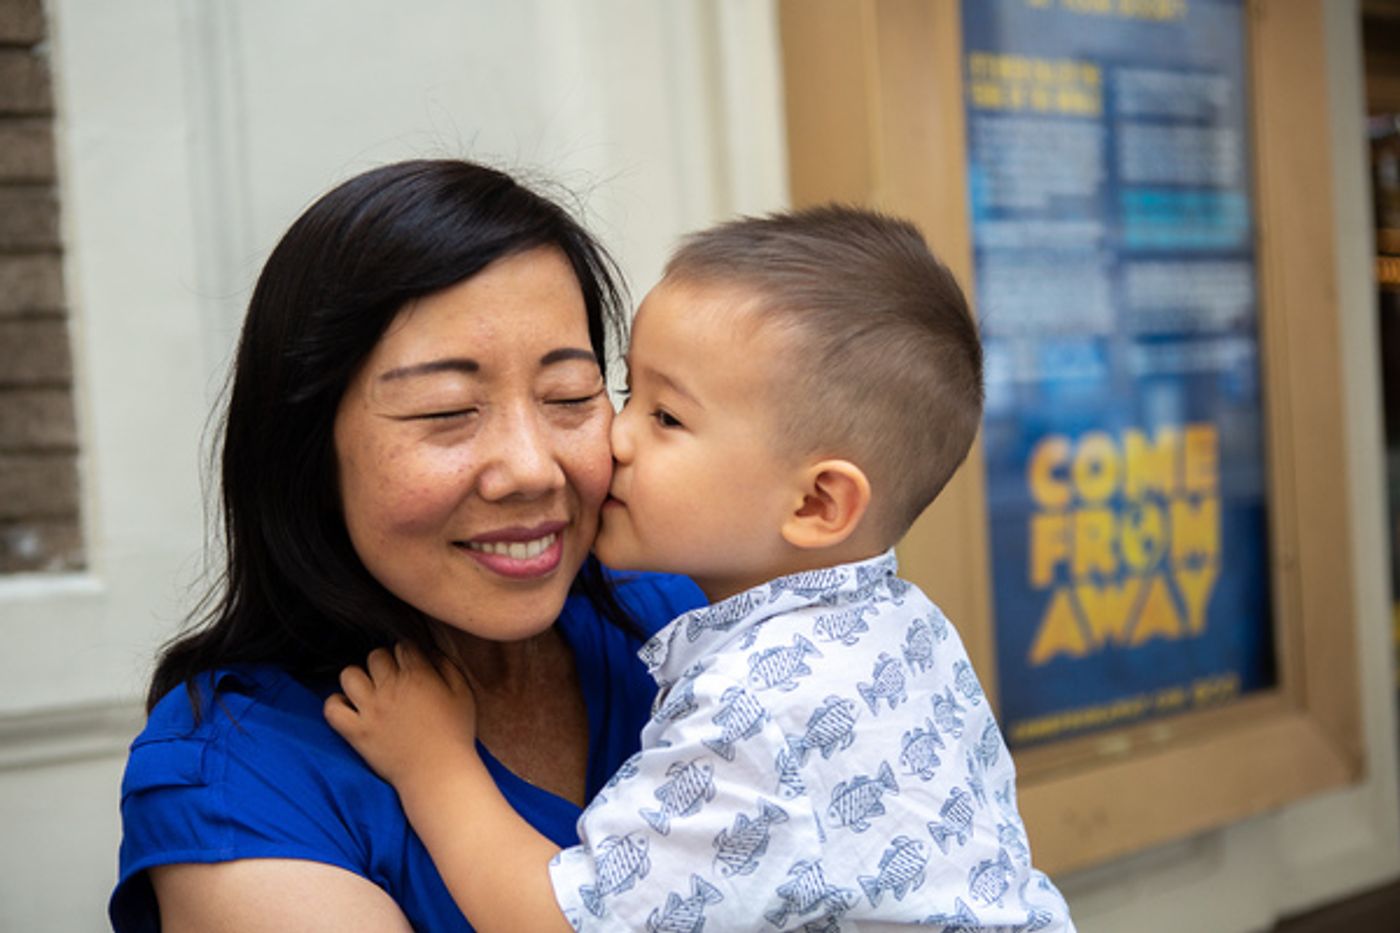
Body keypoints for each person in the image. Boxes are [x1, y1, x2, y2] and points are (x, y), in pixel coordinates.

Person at [327, 205, 1076, 930]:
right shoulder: (908, 625)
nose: (614, 438)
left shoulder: (758, 708)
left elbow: (563, 924)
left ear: (817, 503)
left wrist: (434, 765)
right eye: (624, 393)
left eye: (666, 417)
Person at [108, 159, 706, 932]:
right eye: (446, 410)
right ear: (307, 450)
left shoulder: (689, 622)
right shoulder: (238, 779)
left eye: (569, 396)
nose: (532, 468)